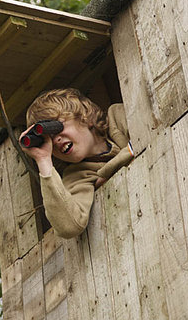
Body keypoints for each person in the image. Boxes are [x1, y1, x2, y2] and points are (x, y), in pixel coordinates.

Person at [20, 88, 134, 239]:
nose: (55, 140)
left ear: (86, 117)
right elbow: (69, 227)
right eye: (48, 138)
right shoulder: (77, 176)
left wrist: (107, 173)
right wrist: (43, 160)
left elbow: (146, 135)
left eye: (58, 127)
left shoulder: (117, 117)